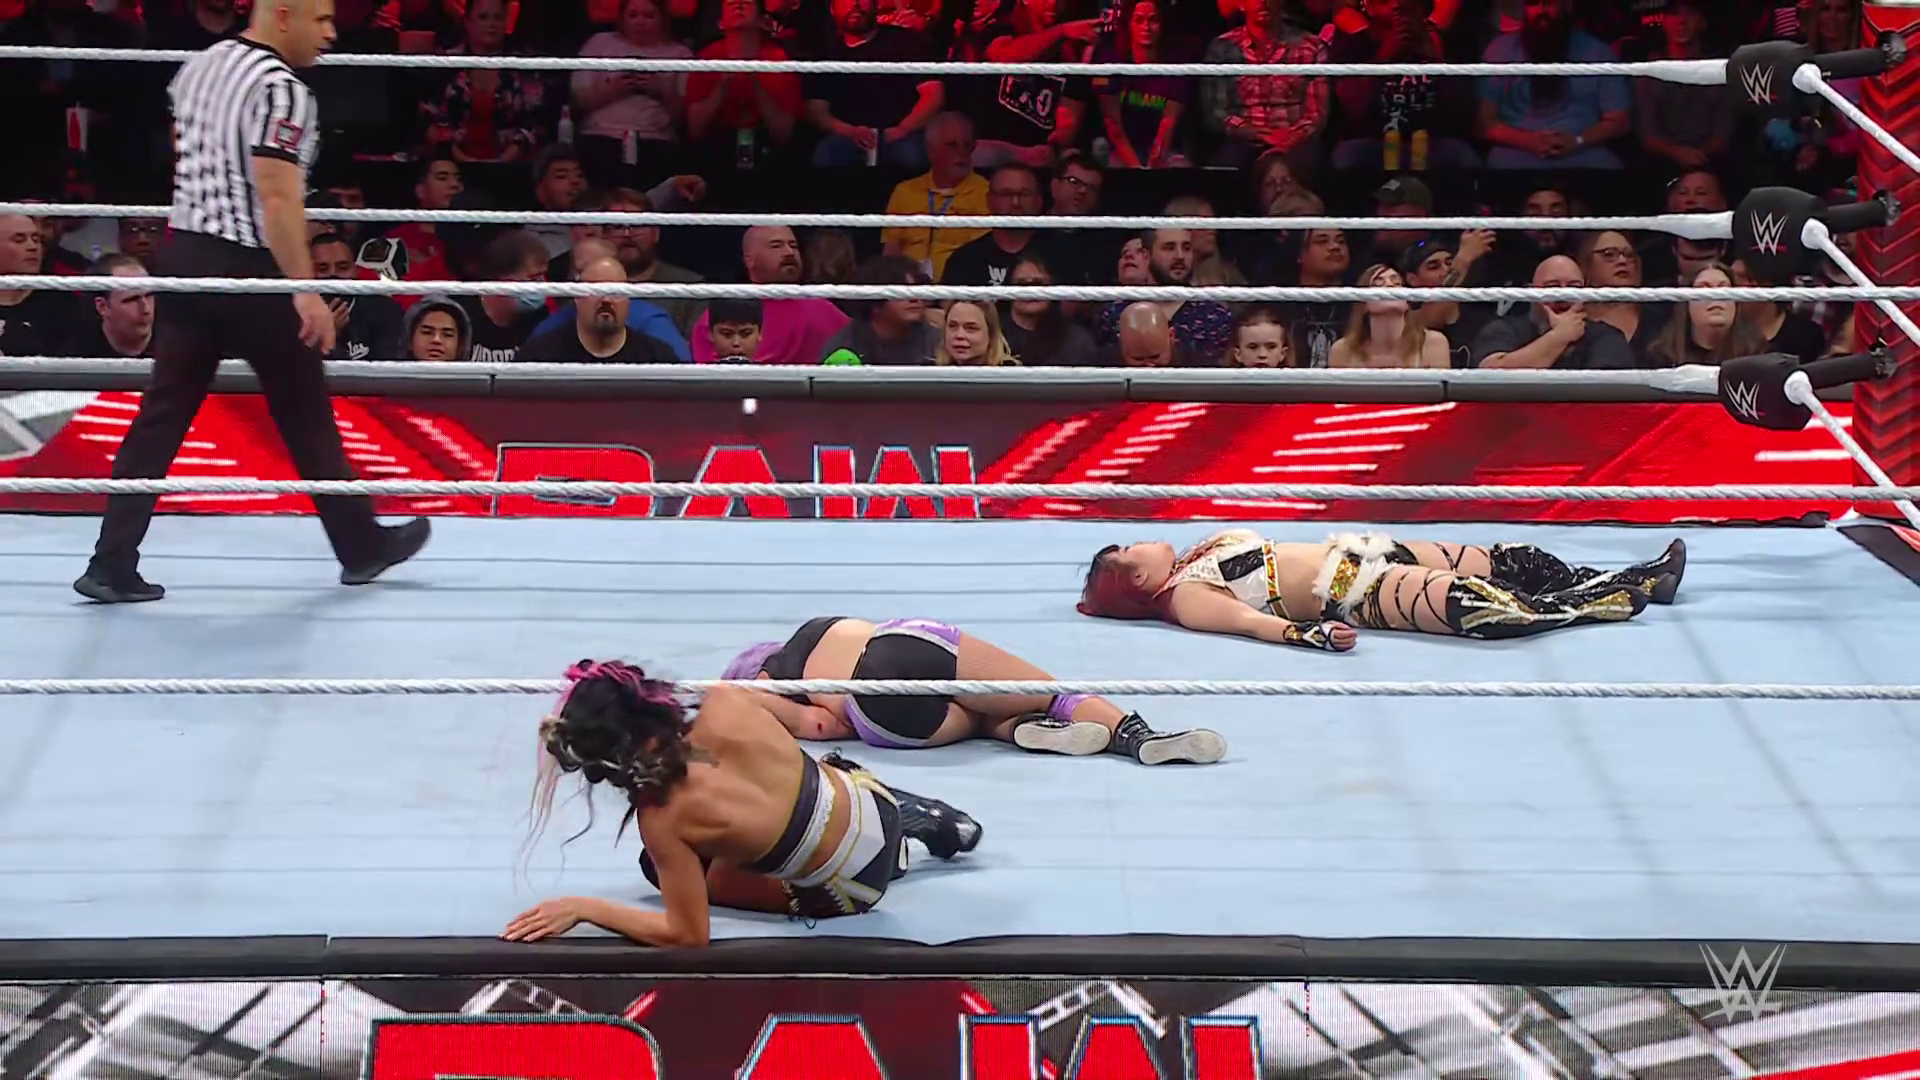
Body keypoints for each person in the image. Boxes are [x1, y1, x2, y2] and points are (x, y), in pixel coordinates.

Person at [74, 0, 430, 604]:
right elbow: (278, 197)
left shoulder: (201, 65)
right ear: (283, 15)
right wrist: (304, 289)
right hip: (248, 266)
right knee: (305, 410)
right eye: (321, 20)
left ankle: (110, 562)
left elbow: (194, 162)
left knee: (163, 414)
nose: (332, 33)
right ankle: (361, 546)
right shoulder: (281, 88)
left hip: (186, 256)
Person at [504, 664, 981, 945]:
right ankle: (913, 817)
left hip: (855, 885)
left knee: (664, 868)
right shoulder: (726, 699)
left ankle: (892, 860)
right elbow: (815, 725)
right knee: (800, 785)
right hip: (871, 796)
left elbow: (687, 936)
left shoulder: (662, 820)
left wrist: (584, 908)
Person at [721, 617, 1226, 765]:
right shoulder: (806, 640)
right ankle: (1136, 736)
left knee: (981, 717)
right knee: (1050, 691)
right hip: (898, 647)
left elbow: (818, 725)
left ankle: (1026, 731)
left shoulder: (782, 693)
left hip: (879, 720)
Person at [1077, 529, 1686, 644]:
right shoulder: (1184, 597)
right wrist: (1310, 635)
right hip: (1351, 589)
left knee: (1513, 560)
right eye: (1129, 550)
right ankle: (1602, 600)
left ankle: (1639, 576)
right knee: (1479, 607)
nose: (1141, 541)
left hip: (1362, 550)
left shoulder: (1199, 552)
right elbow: (1249, 623)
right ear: (1136, 578)